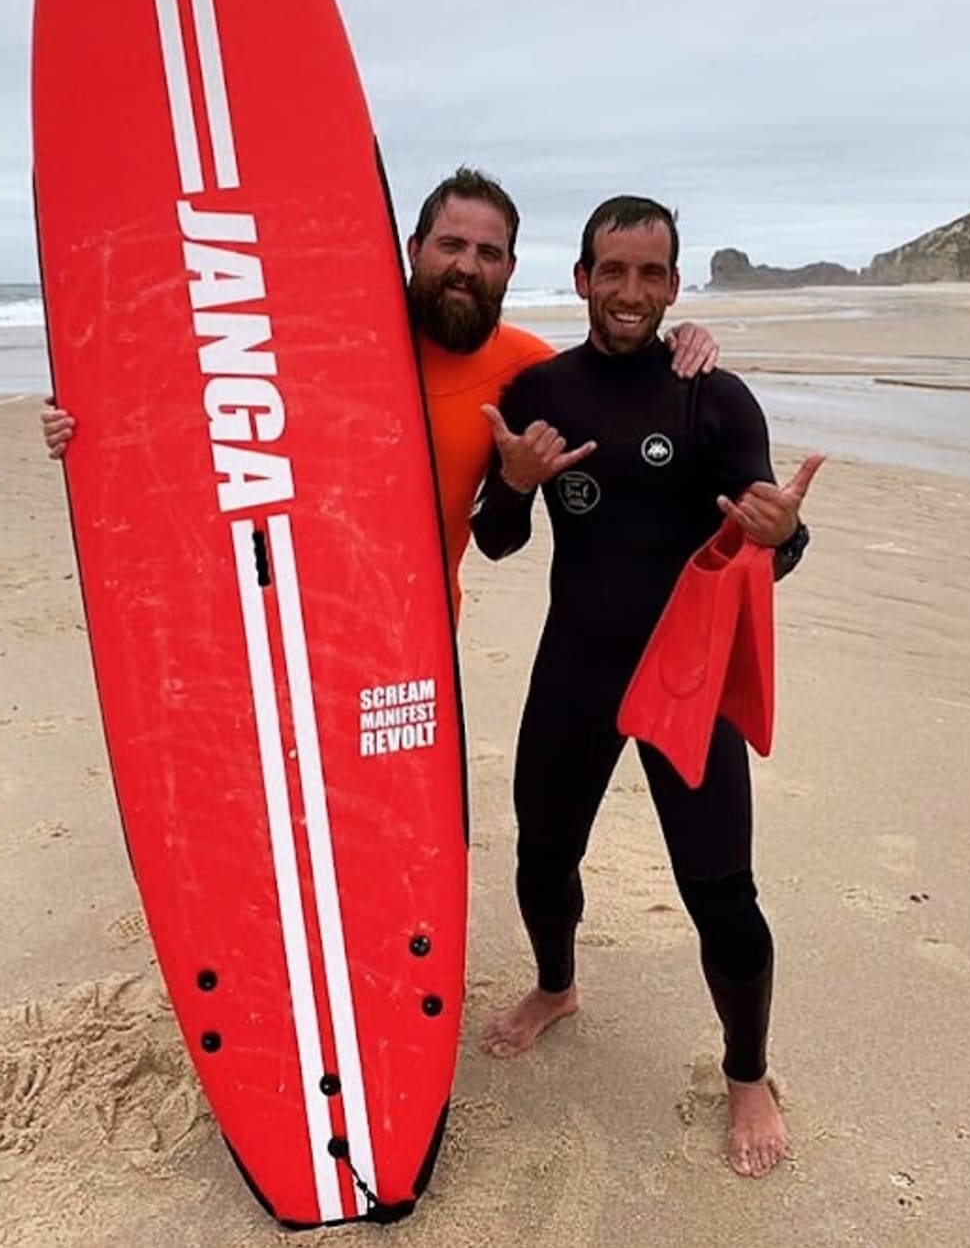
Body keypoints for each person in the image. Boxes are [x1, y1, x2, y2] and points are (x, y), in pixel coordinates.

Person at [470, 194, 823, 1178]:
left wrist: (781, 536)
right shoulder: (544, 388)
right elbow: (497, 541)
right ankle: (556, 986)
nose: (630, 292)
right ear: (581, 278)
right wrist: (515, 481)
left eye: (650, 273)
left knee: (725, 898)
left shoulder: (714, 397)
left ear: (674, 285)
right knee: (544, 860)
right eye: (611, 271)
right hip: (576, 666)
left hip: (687, 681)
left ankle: (747, 1073)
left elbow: (771, 544)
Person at [42, 169, 720, 615]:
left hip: (419, 631)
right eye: (451, 245)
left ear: (511, 268)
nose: (466, 267)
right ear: (414, 246)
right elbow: (187, 391)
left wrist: (683, 342)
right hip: (279, 613)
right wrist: (84, 419)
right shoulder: (318, 339)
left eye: (488, 254)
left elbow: (617, 381)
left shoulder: (530, 370)